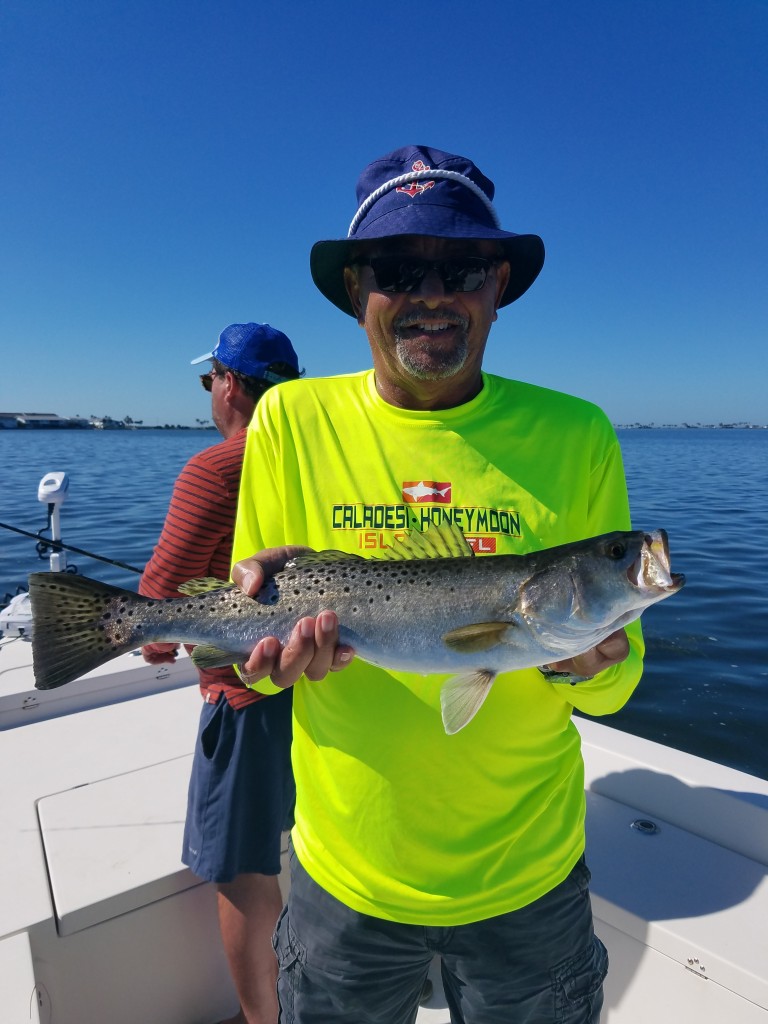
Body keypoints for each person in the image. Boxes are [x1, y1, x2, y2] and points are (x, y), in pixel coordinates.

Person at [230, 146, 644, 1024]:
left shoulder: (576, 433)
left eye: (460, 267)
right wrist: (262, 659)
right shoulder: (289, 419)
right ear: (355, 290)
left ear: (497, 284)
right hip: (344, 875)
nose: (431, 293)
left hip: (529, 878)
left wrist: (587, 662)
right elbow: (253, 631)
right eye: (397, 269)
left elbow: (618, 681)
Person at [139, 322, 302, 1024]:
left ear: (229, 383)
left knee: (244, 873)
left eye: (211, 379)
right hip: (323, 687)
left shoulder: (214, 468)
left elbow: (157, 602)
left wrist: (159, 636)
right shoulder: (311, 466)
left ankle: (264, 1020)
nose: (212, 392)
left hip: (245, 697)